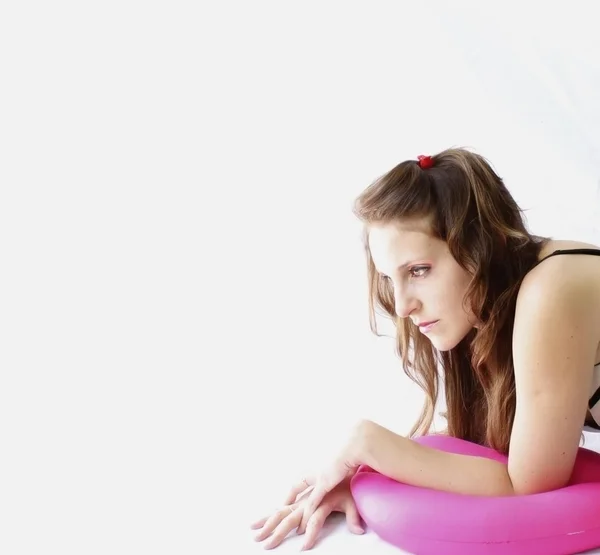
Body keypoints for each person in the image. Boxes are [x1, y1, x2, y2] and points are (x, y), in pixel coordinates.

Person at [250, 147, 600, 551]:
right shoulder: (500, 308)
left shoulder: (551, 291)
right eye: (389, 278)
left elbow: (528, 484)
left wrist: (369, 445)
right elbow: (493, 451)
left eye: (419, 271)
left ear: (482, 247)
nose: (401, 306)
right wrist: (365, 474)